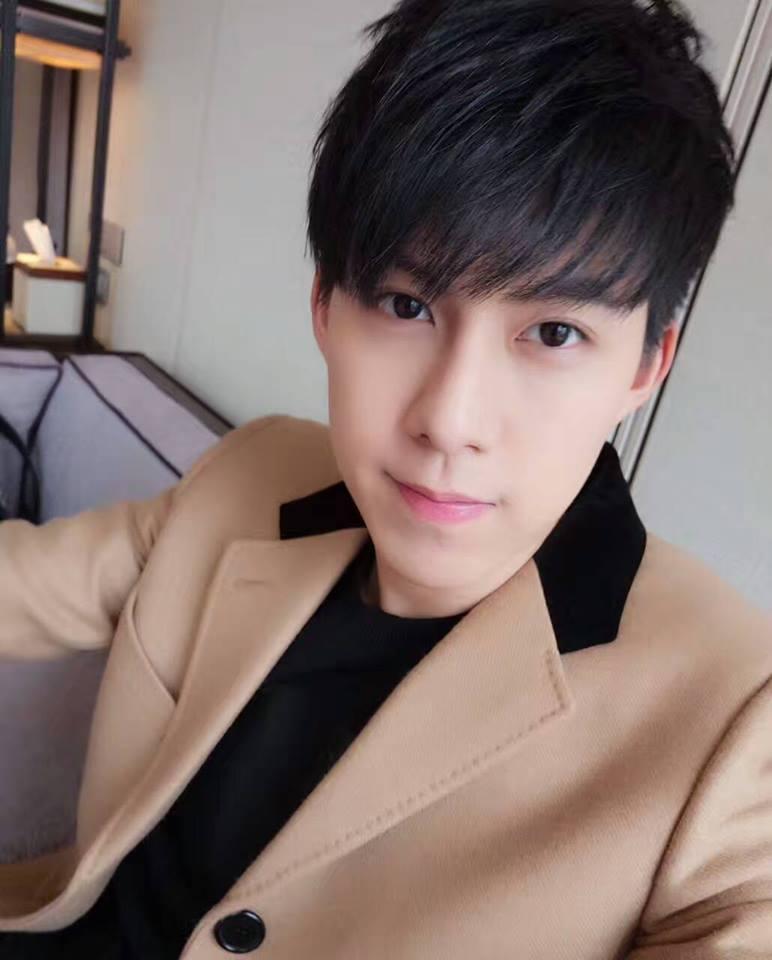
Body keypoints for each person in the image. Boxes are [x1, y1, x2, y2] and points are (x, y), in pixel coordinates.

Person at [1, 0, 771, 956]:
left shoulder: (737, 725)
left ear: (647, 366)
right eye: (407, 305)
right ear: (325, 304)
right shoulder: (254, 474)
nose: (450, 419)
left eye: (554, 332)